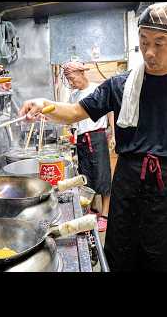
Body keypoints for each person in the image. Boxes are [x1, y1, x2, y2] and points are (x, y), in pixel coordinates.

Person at [19, 2, 167, 271]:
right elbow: (74, 112)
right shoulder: (119, 86)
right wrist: (43, 104)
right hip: (129, 183)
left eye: (159, 43)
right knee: (123, 254)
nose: (149, 52)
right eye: (144, 42)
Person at [62, 61, 114, 232]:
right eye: (68, 79)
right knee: (86, 178)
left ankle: (105, 215)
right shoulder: (73, 96)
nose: (70, 82)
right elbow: (71, 117)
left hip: (97, 137)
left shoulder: (96, 89)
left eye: (72, 78)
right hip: (81, 140)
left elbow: (110, 111)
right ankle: (92, 209)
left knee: (103, 177)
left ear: (81, 72)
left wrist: (113, 133)